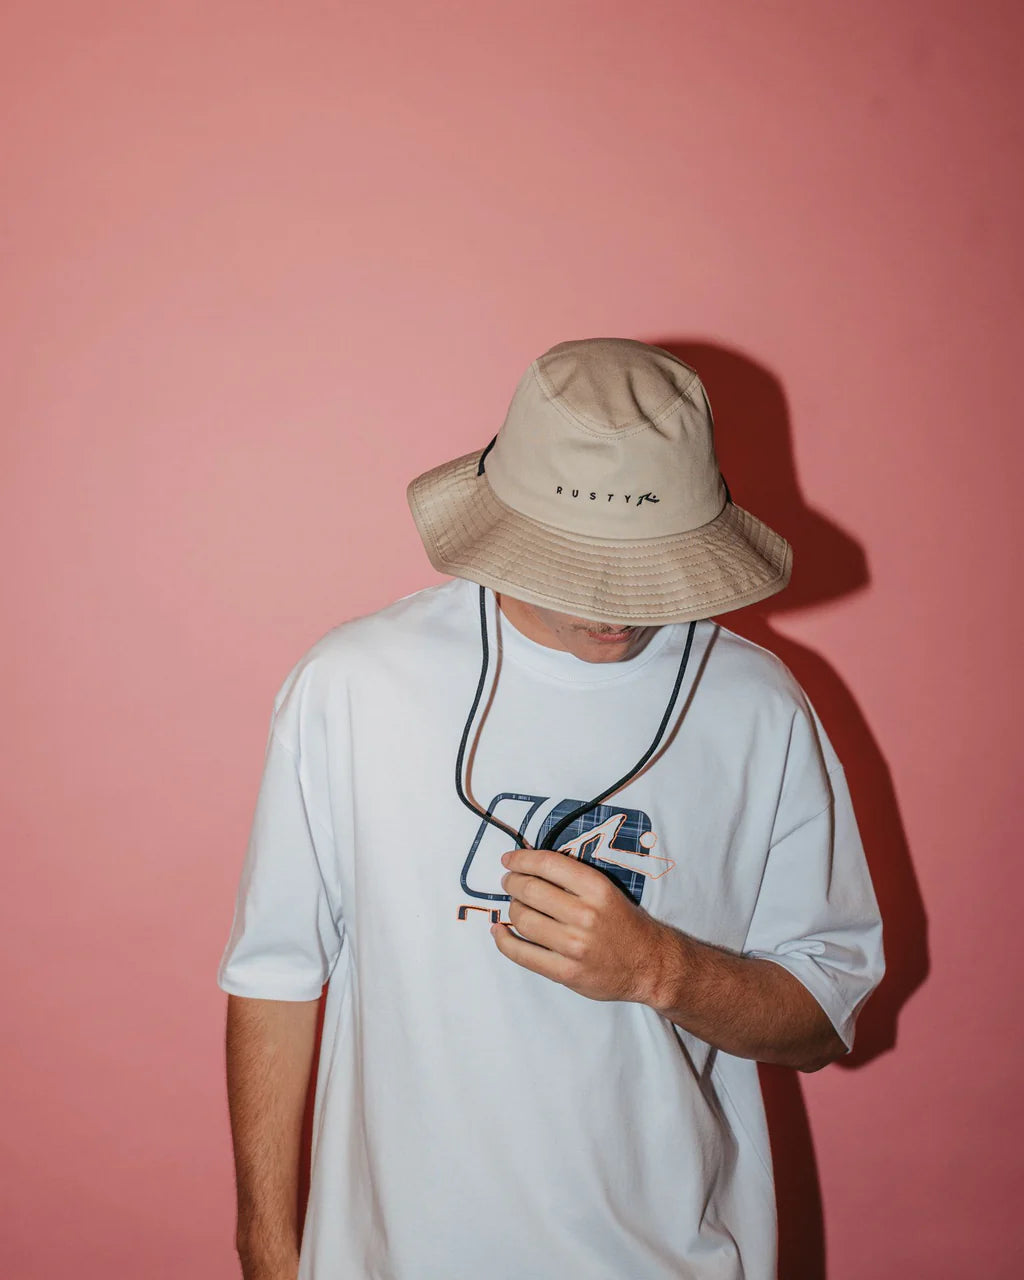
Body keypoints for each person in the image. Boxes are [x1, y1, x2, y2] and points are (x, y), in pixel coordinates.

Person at [217, 337, 885, 1280]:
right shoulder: (354, 685)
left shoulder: (757, 706)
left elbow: (822, 1016)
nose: (616, 610)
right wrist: (265, 1247)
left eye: (650, 564)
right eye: (580, 566)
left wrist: (659, 968)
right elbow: (276, 974)